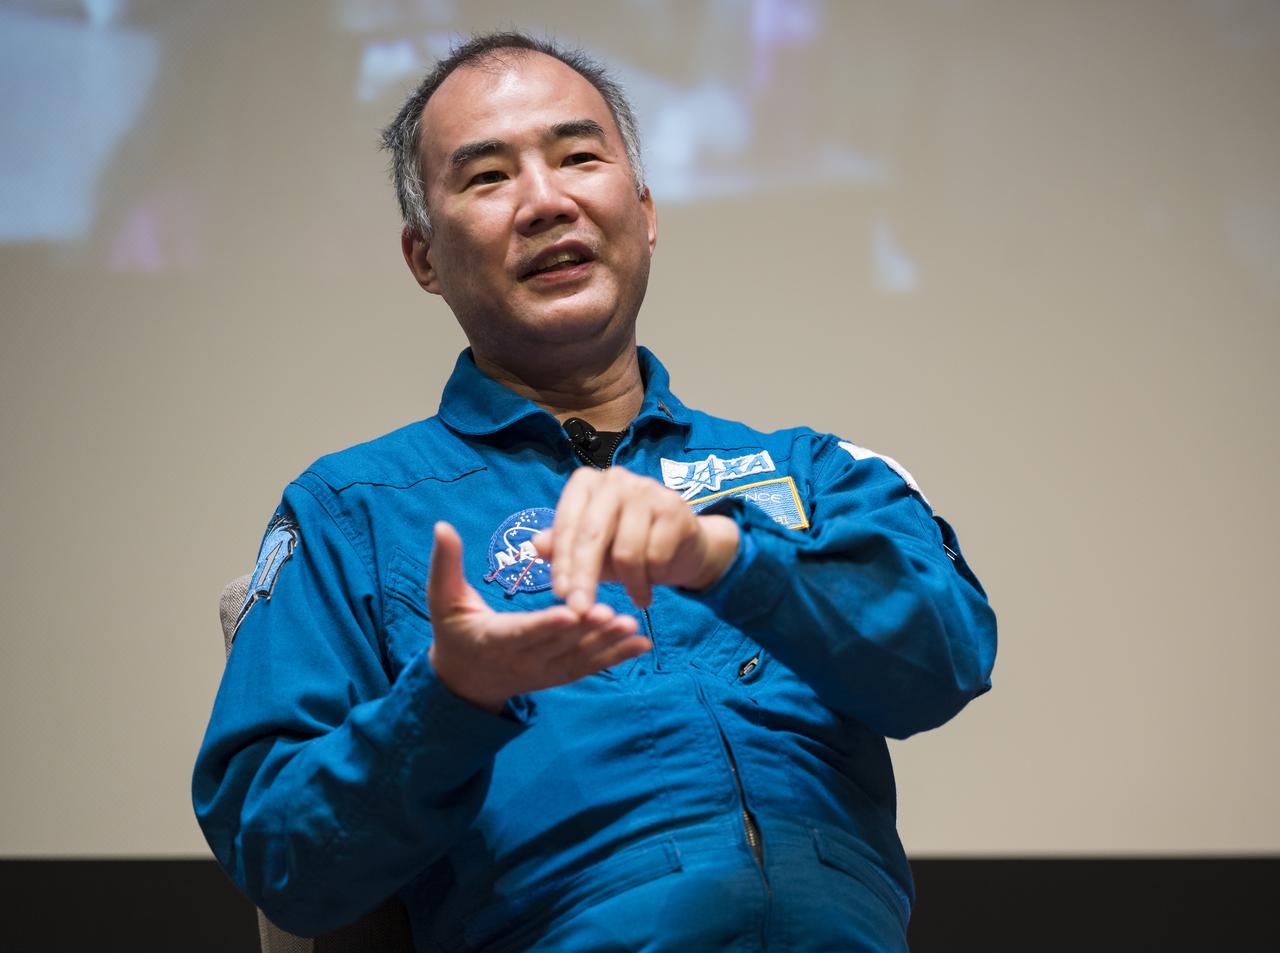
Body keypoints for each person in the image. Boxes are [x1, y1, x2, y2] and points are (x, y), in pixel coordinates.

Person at [193, 32, 997, 953]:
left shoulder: (808, 471)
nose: (547, 200)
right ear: (424, 258)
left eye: (579, 157)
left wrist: (726, 559)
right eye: (489, 178)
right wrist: (450, 698)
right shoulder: (352, 511)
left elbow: (951, 656)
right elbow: (281, 854)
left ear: (644, 210)